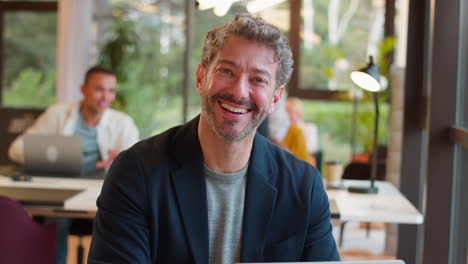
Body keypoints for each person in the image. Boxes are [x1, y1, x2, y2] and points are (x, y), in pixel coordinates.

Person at [88, 14, 339, 263]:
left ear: (275, 98)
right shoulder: (136, 173)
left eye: (258, 79)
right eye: (226, 71)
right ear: (201, 78)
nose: (239, 91)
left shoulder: (303, 186)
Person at [8, 65, 139, 264]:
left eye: (111, 91)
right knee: (56, 220)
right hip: (62, 190)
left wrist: (123, 160)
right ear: (83, 89)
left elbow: (139, 168)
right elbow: (15, 150)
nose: (106, 97)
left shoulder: (123, 123)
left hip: (100, 191)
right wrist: (47, 151)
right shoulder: (57, 115)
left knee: (121, 223)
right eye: (99, 89)